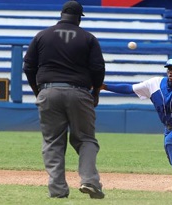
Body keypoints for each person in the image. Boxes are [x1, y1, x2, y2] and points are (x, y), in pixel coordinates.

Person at [23, 0, 105, 199]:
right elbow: (97, 69)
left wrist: (38, 91)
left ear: (62, 15)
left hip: (48, 91)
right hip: (79, 92)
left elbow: (28, 66)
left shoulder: (42, 35)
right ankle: (89, 181)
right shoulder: (88, 38)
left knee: (52, 142)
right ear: (79, 18)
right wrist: (95, 94)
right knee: (86, 139)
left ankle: (58, 190)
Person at [101, 57, 172, 190]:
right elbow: (130, 88)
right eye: (169, 68)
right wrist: (105, 86)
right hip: (169, 128)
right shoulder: (155, 83)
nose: (171, 72)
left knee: (170, 142)